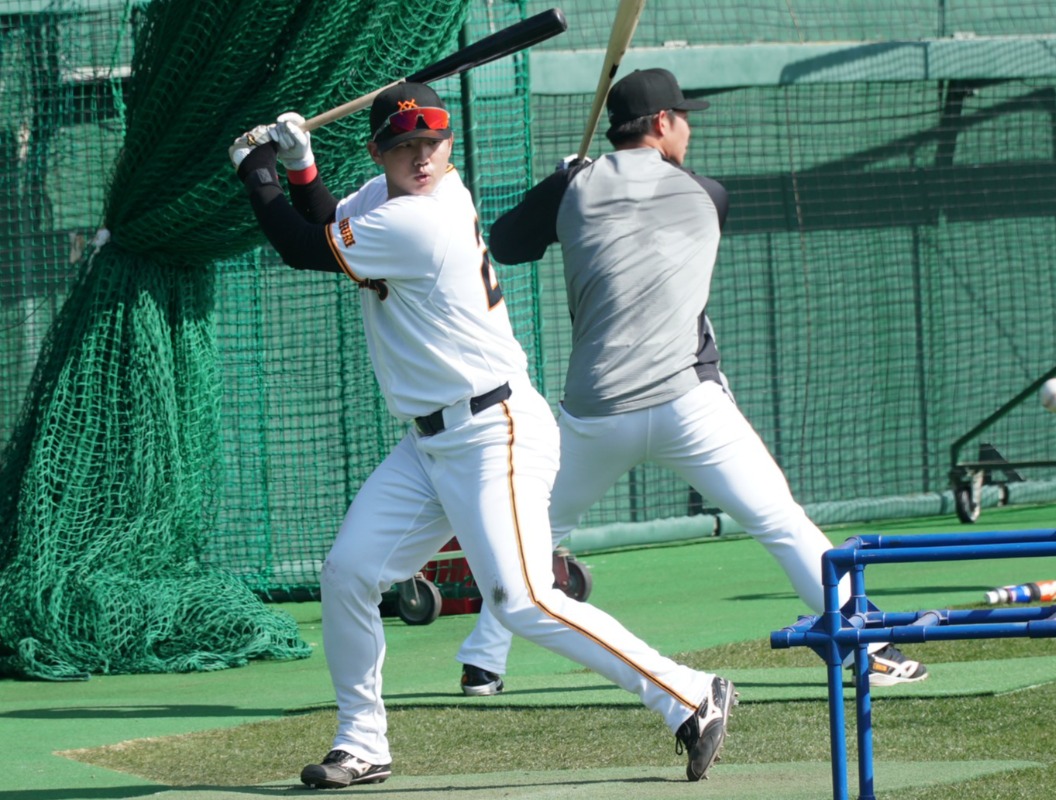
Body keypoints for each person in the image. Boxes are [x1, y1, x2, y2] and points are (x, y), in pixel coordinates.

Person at [228, 81, 734, 789]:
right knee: (350, 572)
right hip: (432, 441)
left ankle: (687, 694)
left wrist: (255, 170)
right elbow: (327, 221)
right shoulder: (385, 200)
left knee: (523, 601)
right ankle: (362, 741)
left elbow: (300, 246)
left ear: (449, 144)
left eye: (431, 140)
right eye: (404, 145)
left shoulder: (425, 218)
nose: (421, 156)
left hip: (493, 430)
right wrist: (303, 167)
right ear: (379, 153)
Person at [453, 68, 929, 697]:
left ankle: (483, 661)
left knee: (536, 531)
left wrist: (564, 181)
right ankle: (869, 649)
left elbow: (509, 244)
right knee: (782, 522)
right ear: (658, 124)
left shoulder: (575, 187)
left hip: (595, 413)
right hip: (687, 403)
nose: (690, 126)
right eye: (682, 115)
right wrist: (581, 180)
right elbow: (657, 202)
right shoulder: (709, 193)